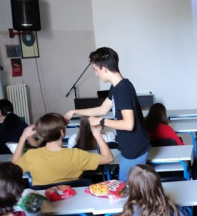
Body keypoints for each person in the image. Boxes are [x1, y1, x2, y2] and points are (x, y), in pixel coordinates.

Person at [64, 47, 151, 182]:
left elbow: (129, 124)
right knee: (127, 186)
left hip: (134, 148)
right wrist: (74, 112)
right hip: (129, 146)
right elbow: (102, 109)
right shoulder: (116, 87)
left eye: (96, 69)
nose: (96, 74)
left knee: (127, 187)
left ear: (104, 68)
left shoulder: (123, 89)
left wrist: (101, 121)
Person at [13, 113, 113, 187]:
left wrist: (23, 137)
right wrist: (96, 134)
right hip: (74, 202)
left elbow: (13, 168)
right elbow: (108, 158)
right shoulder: (76, 155)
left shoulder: (31, 156)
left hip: (44, 204)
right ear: (62, 132)